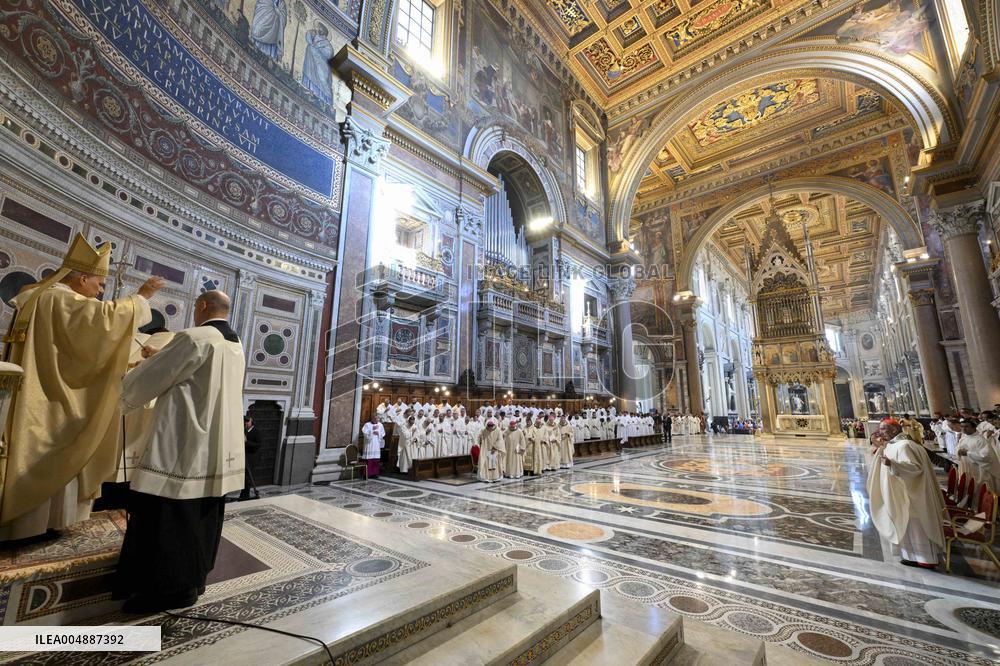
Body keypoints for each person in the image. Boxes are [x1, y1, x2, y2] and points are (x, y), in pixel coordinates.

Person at [1, 234, 163, 542]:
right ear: (83, 278)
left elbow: (81, 347)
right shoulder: (58, 298)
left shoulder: (37, 295)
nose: (101, 292)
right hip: (49, 398)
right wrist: (141, 296)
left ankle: (40, 523)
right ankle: (31, 525)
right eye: (99, 285)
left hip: (43, 387)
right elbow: (101, 321)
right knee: (57, 447)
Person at [114, 290, 245, 612]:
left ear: (201, 306)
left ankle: (162, 591)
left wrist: (130, 383)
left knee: (167, 519)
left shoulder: (194, 336)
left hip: (182, 444)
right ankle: (193, 581)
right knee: (200, 519)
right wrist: (156, 357)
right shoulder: (235, 344)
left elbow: (154, 378)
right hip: (216, 447)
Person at [867, 418, 946, 569]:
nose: (879, 432)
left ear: (894, 430)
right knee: (905, 524)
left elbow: (915, 468)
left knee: (916, 525)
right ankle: (910, 555)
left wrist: (892, 464)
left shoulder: (905, 445)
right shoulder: (896, 444)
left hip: (911, 494)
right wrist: (881, 447)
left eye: (882, 429)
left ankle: (926, 558)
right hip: (902, 493)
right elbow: (887, 455)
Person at [957, 418, 1000, 491]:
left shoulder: (980, 440)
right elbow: (958, 449)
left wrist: (968, 453)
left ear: (974, 427)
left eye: (966, 426)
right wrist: (958, 452)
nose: (964, 429)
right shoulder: (964, 438)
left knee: (978, 491)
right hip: (966, 467)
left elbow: (986, 456)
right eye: (962, 426)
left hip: (979, 471)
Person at [238, 415, 261, 501]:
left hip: (252, 458)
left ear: (251, 421)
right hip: (243, 457)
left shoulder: (256, 431)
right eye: (245, 421)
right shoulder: (244, 430)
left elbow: (258, 444)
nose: (246, 423)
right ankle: (243, 494)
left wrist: (246, 442)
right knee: (243, 477)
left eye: (248, 421)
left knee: (248, 477)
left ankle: (245, 496)